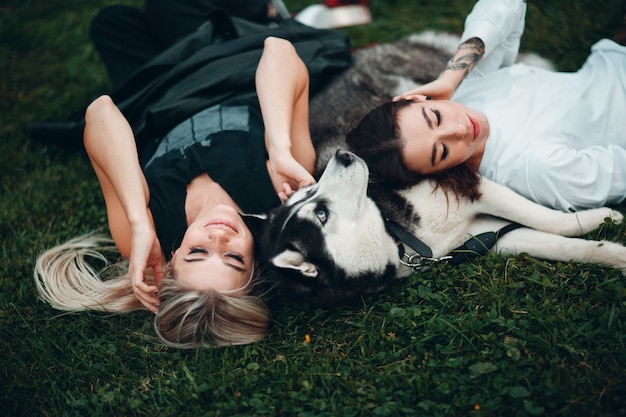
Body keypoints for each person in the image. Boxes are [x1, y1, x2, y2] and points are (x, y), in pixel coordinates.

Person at [34, 2, 351, 348]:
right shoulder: (280, 195)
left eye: (197, 252)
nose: (218, 238)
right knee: (167, 10)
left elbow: (101, 113)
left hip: (158, 94)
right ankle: (267, 15)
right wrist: (279, 150)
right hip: (228, 64)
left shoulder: (147, 231)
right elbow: (278, 52)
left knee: (110, 23)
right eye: (234, 258)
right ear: (256, 269)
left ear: (170, 264)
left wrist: (139, 222)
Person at [345, 0, 626, 213]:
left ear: (417, 98)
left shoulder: (467, 93)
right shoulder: (534, 169)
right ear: (439, 174)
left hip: (610, 59)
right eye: (442, 151)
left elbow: (506, 5)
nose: (460, 129)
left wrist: (452, 75)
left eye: (436, 117)